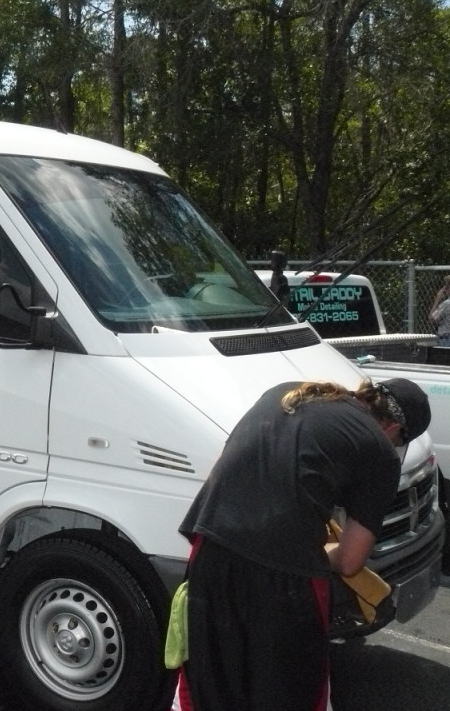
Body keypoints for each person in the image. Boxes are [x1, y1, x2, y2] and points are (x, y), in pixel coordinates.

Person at [174, 377, 431, 711]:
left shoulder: (286, 391)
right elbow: (350, 561)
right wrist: (327, 548)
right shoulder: (381, 452)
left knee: (213, 690)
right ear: (394, 427)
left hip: (211, 552)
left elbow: (231, 466)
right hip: (284, 581)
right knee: (290, 694)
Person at [429, 275, 450, 346]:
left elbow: (432, 318)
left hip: (446, 338)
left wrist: (437, 300)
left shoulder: (446, 304)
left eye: (446, 287)